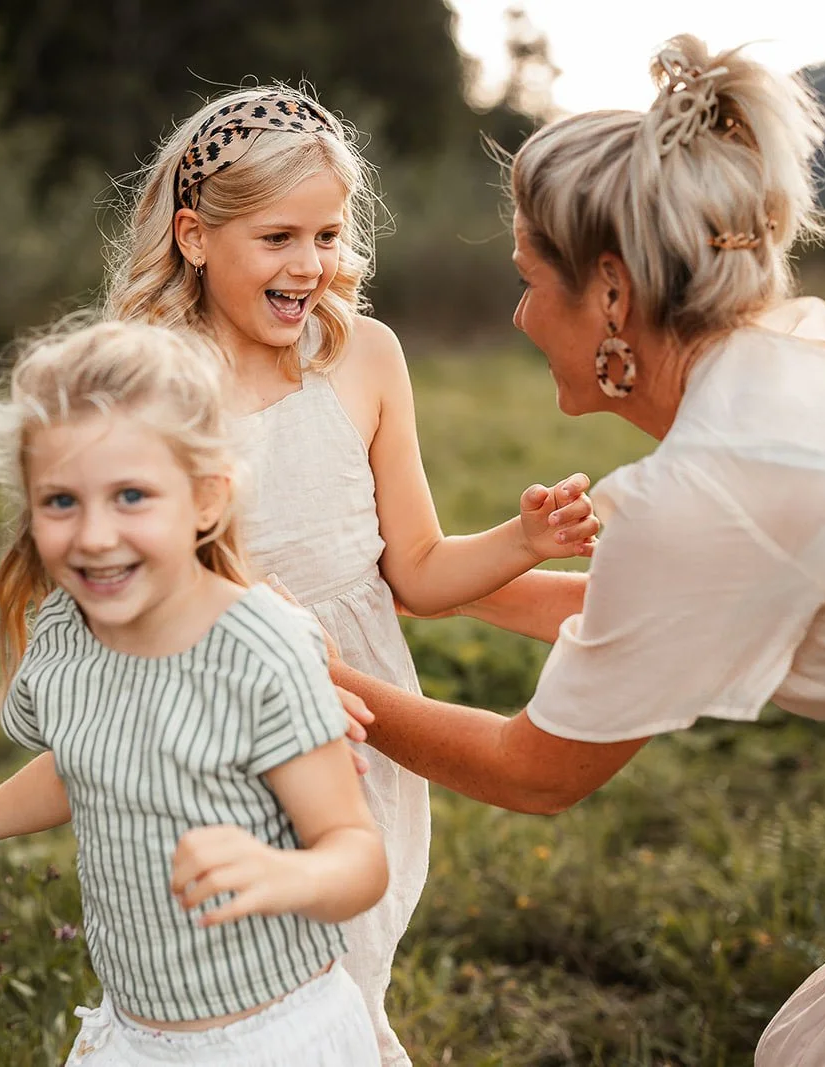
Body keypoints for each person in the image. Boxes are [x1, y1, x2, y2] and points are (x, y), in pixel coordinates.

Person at [328, 36, 825, 1065]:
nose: (514, 313)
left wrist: (312, 677)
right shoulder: (775, 365)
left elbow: (533, 772)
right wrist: (428, 588)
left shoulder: (713, 486)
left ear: (608, 292)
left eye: (525, 280)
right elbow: (641, 608)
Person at [100, 84, 601, 1063]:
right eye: (278, 237)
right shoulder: (147, 385)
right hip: (216, 716)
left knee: (346, 960)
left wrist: (519, 540)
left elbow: (410, 567)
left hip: (363, 716)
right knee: (237, 982)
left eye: (327, 234)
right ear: (195, 238)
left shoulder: (366, 357)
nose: (309, 264)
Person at [0, 319, 389, 1066]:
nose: (93, 535)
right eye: (60, 502)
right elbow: (89, 760)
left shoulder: (261, 652)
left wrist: (288, 874)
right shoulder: (66, 632)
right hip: (139, 1035)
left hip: (273, 1034)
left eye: (131, 496)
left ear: (207, 498)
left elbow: (358, 855)